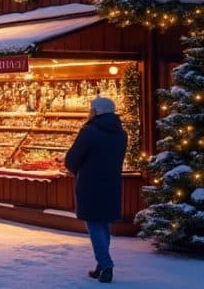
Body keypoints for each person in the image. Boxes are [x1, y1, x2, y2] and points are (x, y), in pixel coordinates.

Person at [65, 96, 127, 284]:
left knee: (93, 225)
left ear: (97, 111)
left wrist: (72, 167)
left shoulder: (89, 131)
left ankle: (106, 264)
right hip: (112, 183)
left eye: (91, 109)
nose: (89, 112)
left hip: (90, 185)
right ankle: (101, 265)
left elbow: (72, 159)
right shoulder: (121, 133)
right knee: (103, 224)